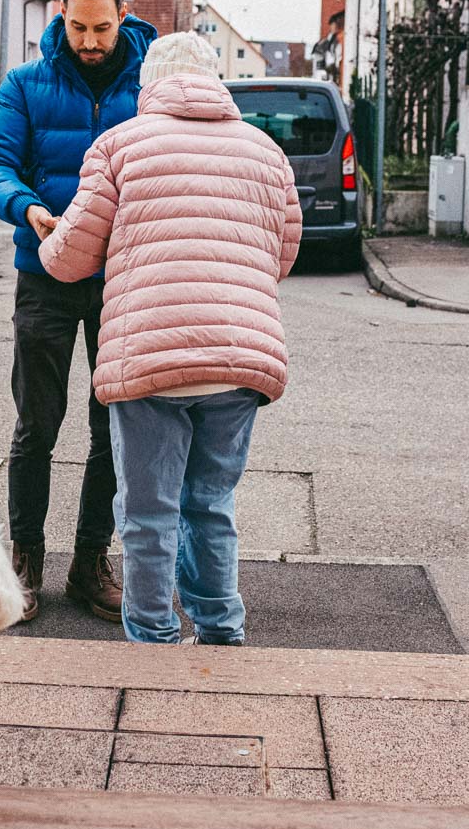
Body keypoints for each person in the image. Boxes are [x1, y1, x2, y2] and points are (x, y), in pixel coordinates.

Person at [36, 32, 301, 645]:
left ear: (148, 84)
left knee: (148, 512)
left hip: (150, 356)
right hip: (239, 358)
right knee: (210, 504)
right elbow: (281, 254)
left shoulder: (121, 145)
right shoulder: (266, 151)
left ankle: (154, 636)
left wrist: (47, 244)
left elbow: (73, 256)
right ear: (216, 81)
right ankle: (221, 629)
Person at [0, 0, 157, 623]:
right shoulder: (26, 83)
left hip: (124, 279)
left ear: (123, 15)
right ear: (61, 16)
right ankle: (23, 560)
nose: (90, 41)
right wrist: (24, 206)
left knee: (115, 427)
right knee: (35, 427)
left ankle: (88, 562)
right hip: (44, 272)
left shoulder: (155, 81)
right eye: (78, 27)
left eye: (102, 27)